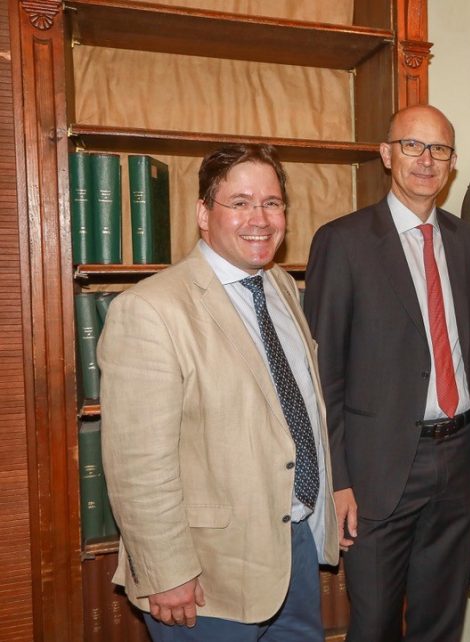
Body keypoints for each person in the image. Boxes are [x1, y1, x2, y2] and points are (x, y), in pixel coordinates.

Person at [99, 144, 339, 641]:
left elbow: (296, 411)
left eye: (272, 203)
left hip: (291, 548)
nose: (261, 218)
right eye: (241, 202)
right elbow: (137, 462)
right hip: (205, 577)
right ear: (203, 213)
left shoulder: (280, 286)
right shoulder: (150, 308)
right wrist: (166, 572)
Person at [303, 104, 470, 642]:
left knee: (441, 622)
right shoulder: (343, 241)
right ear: (386, 154)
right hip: (379, 471)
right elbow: (323, 374)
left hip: (458, 461)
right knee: (376, 625)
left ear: (452, 164)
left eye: (440, 150)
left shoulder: (462, 240)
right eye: (412, 145)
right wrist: (338, 480)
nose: (426, 160)